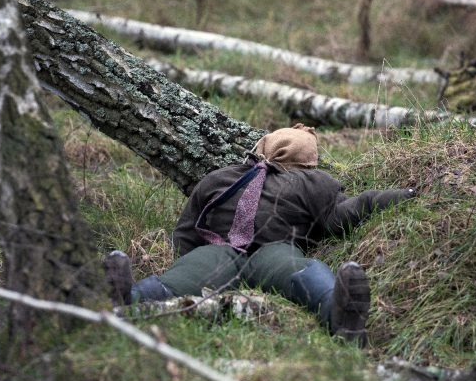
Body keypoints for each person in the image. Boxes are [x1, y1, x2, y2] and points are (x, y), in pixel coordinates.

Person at [104, 124, 416, 346]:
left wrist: (188, 260)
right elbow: (343, 216)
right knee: (300, 273)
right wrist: (397, 195)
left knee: (293, 272)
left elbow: (186, 231)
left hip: (248, 252)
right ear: (309, 159)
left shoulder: (221, 177)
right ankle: (129, 299)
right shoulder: (312, 181)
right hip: (246, 251)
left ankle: (341, 316)